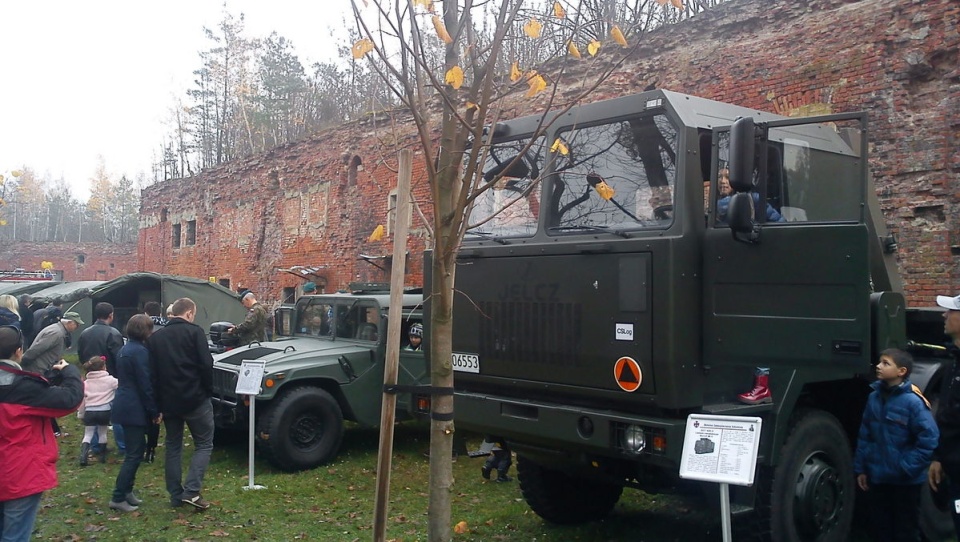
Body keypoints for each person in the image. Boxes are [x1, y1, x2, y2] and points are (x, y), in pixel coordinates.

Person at [0, 326, 83, 542]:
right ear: (18, 351)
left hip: (14, 469)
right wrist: (69, 372)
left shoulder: (24, 385)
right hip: (19, 471)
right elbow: (68, 400)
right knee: (15, 535)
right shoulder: (23, 387)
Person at [854, 348, 938, 541]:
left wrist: (907, 466)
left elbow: (929, 438)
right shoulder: (873, 398)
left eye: (886, 363)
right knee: (880, 528)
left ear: (901, 371)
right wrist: (862, 469)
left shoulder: (913, 402)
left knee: (906, 529)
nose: (878, 366)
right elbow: (865, 435)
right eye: (879, 362)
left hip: (905, 482)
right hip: (878, 478)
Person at [148, 298, 215, 510]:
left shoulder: (156, 338)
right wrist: (208, 390)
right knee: (204, 444)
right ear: (188, 314)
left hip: (168, 400)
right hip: (195, 398)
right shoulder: (195, 333)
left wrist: (157, 403)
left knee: (173, 446)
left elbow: (153, 374)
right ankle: (192, 491)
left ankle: (176, 494)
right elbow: (206, 364)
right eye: (193, 314)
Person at [109, 315, 160, 513]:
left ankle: (127, 491)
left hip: (125, 403)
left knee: (135, 451)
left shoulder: (125, 349)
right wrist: (153, 410)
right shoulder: (139, 352)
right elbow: (144, 383)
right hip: (134, 407)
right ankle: (118, 496)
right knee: (133, 454)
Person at [929, 293, 960, 538]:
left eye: (950, 310)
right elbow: (947, 414)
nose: (943, 315)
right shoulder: (952, 365)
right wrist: (939, 457)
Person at [78, 302, 126, 452]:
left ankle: (95, 445)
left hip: (91, 378)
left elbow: (80, 355)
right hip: (110, 378)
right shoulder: (113, 333)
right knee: (116, 414)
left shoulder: (84, 333)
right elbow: (119, 357)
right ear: (111, 315)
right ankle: (122, 445)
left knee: (93, 411)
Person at [78, 355, 118, 466]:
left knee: (88, 434)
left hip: (90, 411)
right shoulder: (110, 380)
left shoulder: (85, 384)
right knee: (102, 432)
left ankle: (83, 457)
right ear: (104, 367)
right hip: (104, 410)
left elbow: (82, 400)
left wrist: (81, 414)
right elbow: (121, 386)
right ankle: (102, 457)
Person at [716, 168, 785, 223]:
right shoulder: (710, 200)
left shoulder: (752, 199)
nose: (723, 181)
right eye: (719, 177)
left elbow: (780, 223)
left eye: (728, 177)